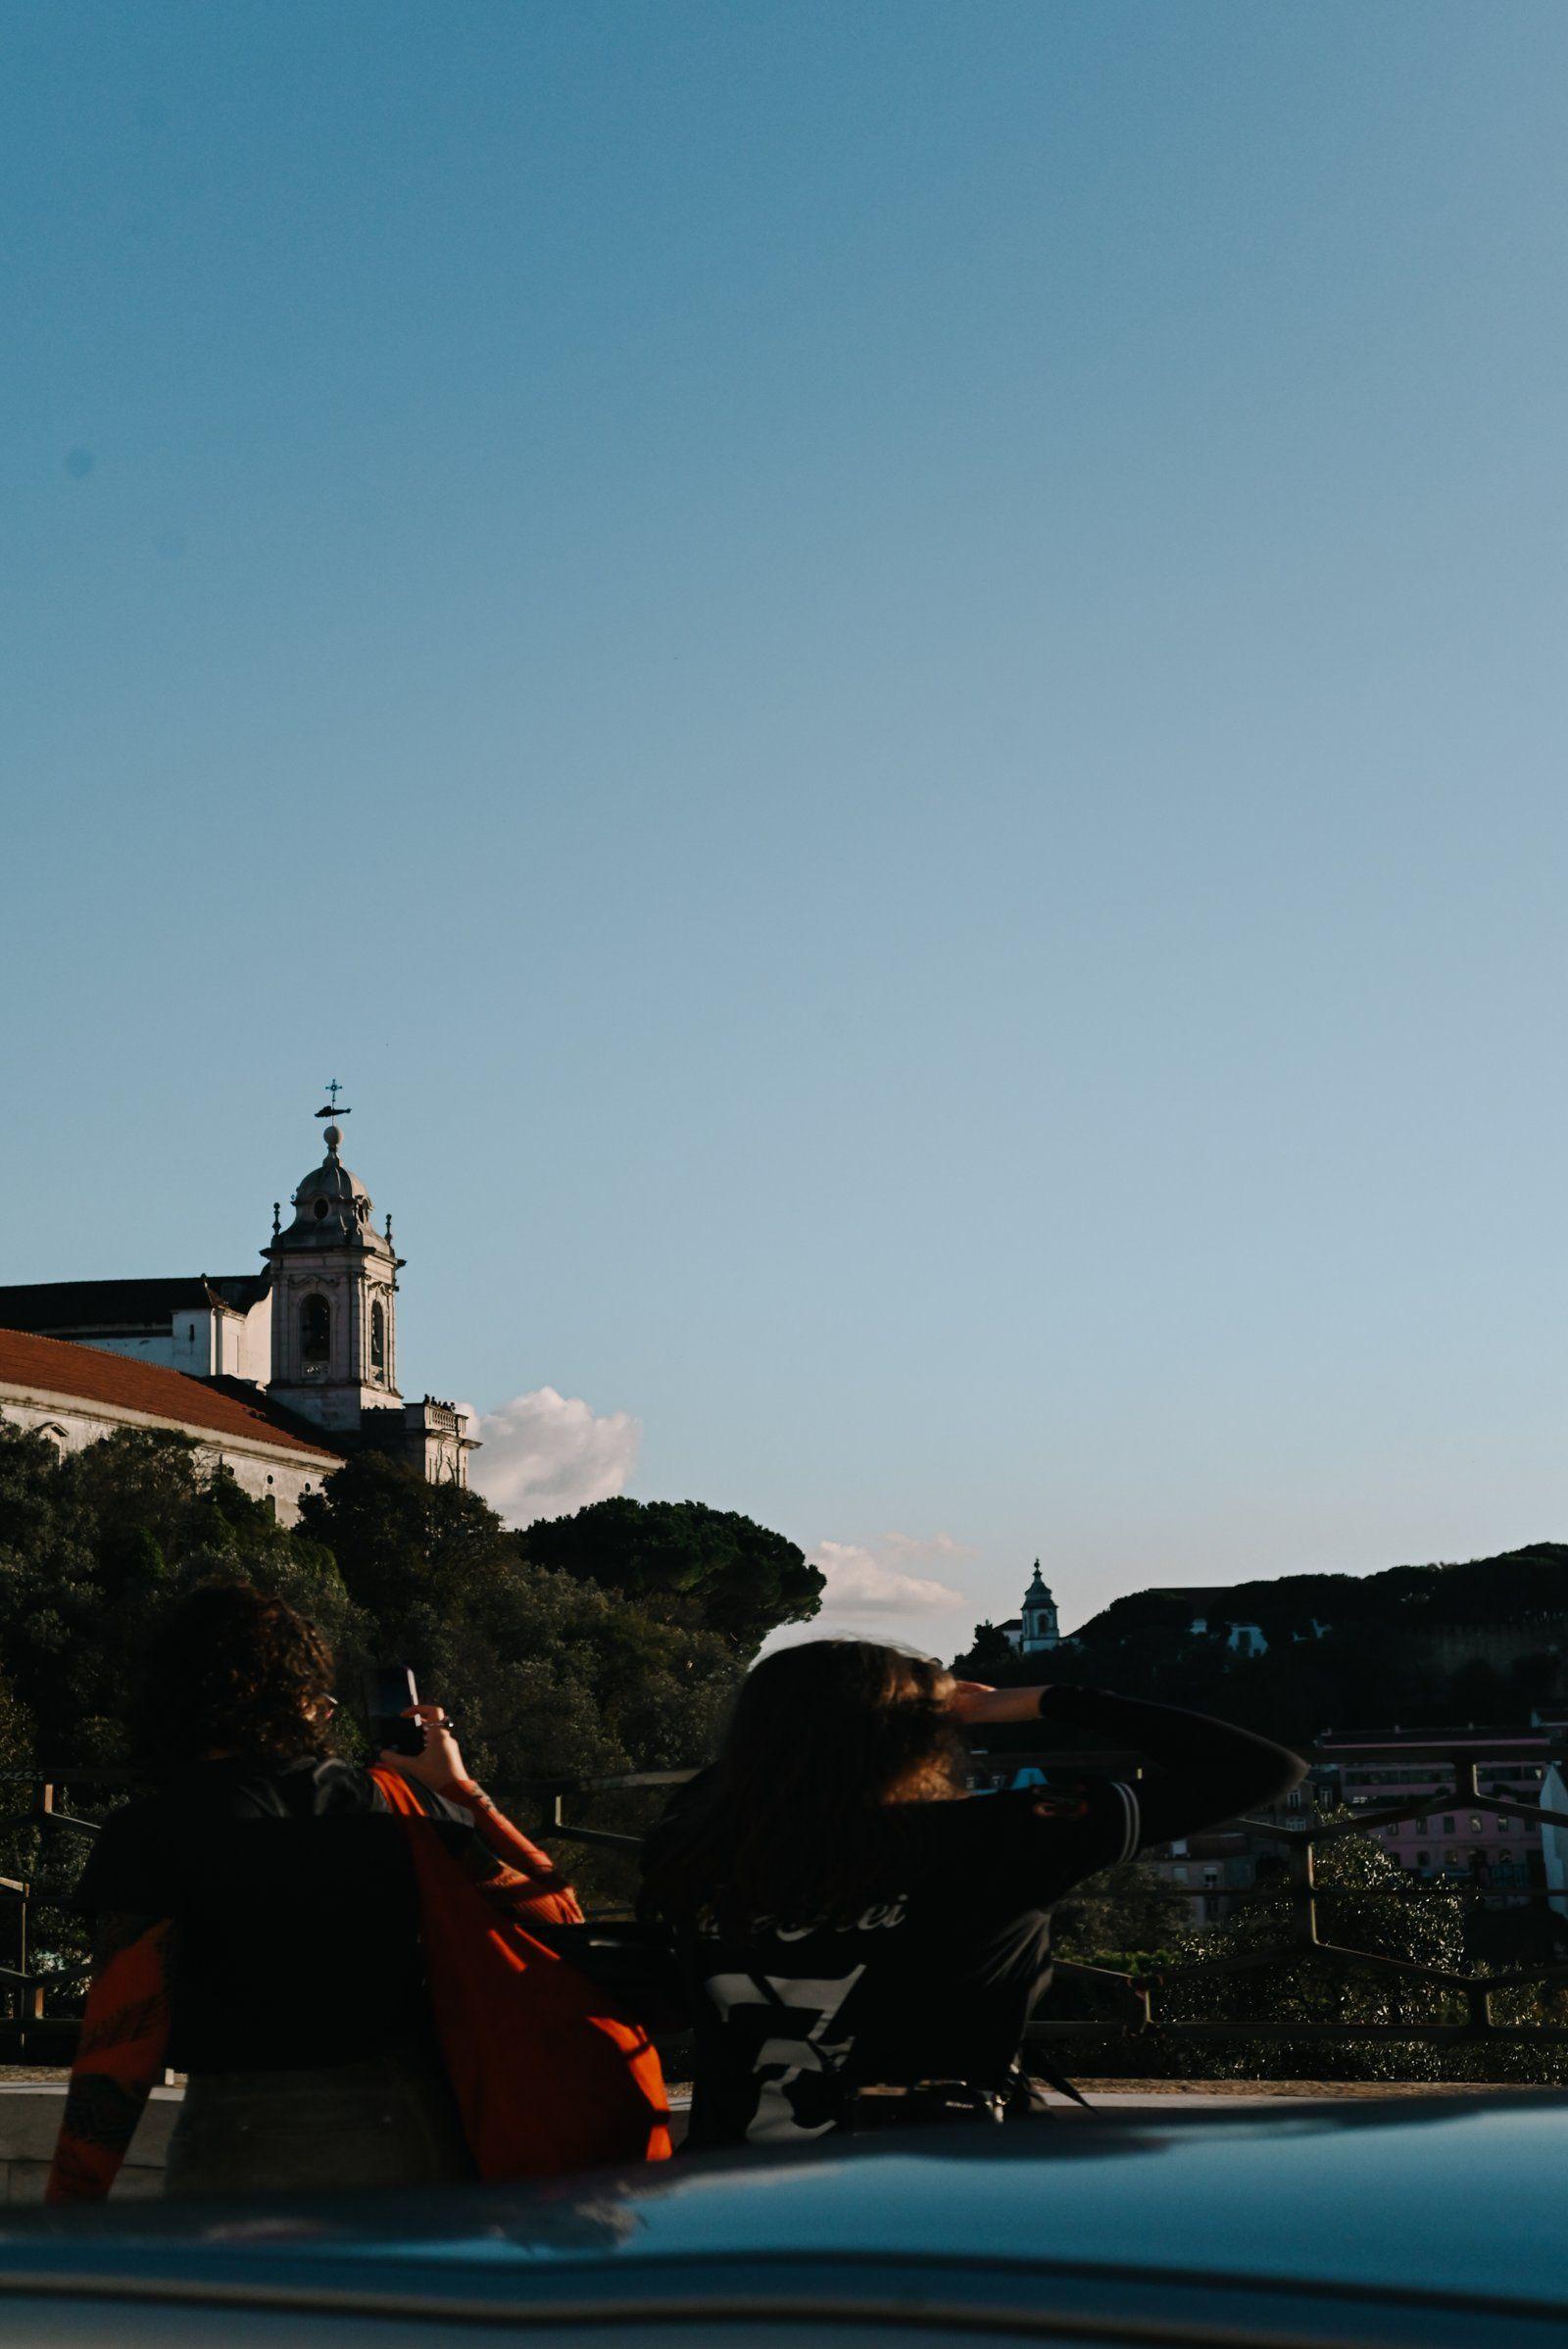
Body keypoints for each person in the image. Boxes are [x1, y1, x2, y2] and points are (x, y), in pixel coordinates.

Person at [640, 1640, 1305, 2146]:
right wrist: (1043, 1699)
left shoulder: (690, 1847)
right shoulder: (999, 1836)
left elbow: (745, 1777)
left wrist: (795, 1727)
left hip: (729, 2189)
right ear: (917, 1738)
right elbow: (1264, 1769)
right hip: (940, 2181)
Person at [46, 1582, 581, 2203]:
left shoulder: (151, 1833)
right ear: (296, 1700)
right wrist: (460, 1791)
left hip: (245, 2138)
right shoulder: (395, 1809)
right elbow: (556, 1913)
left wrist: (68, 2209)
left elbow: (121, 2047)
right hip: (412, 2128)